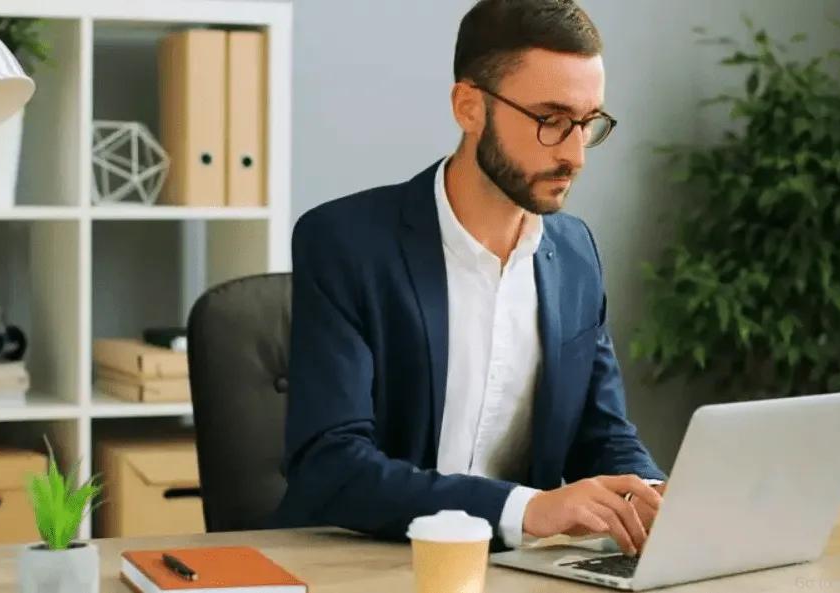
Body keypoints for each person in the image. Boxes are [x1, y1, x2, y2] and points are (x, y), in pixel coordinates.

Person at [273, 0, 667, 556]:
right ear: (469, 106)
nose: (576, 154)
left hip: (510, 567)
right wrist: (528, 510)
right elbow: (330, 465)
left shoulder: (575, 252)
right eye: (551, 121)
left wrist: (651, 494)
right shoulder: (345, 243)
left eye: (587, 122)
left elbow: (600, 436)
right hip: (361, 561)